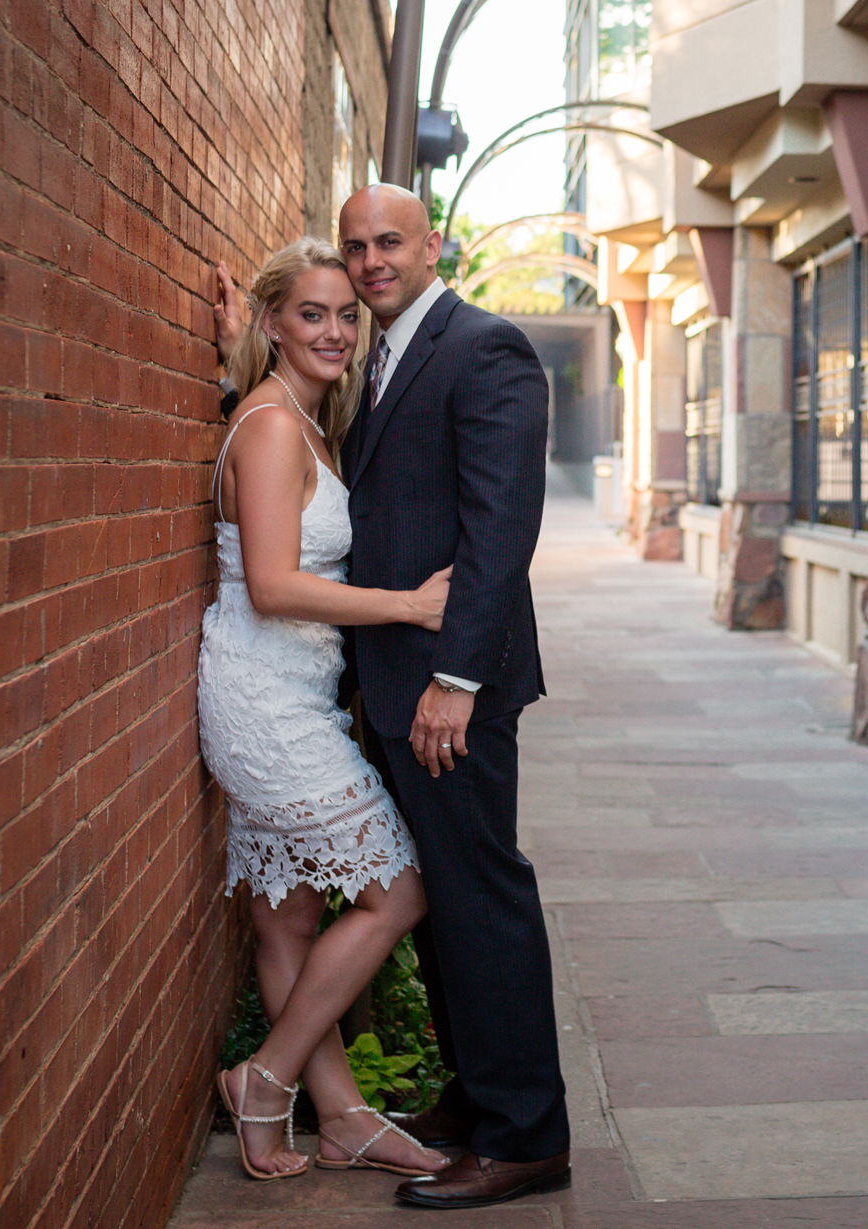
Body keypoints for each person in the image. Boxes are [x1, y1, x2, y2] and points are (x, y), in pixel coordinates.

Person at [198, 238, 454, 1181]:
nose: (337, 330)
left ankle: (341, 1115)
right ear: (274, 322)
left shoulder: (291, 416)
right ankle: (264, 1079)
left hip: (292, 692)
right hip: (266, 704)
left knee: (290, 917)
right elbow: (270, 582)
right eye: (312, 313)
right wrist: (407, 605)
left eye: (348, 314)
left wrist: (239, 360)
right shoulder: (273, 427)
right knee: (401, 890)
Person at [333, 185, 568, 1209]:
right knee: (447, 907)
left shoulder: (485, 348)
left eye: (390, 241)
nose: (372, 259)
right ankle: (477, 1100)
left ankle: (526, 1136)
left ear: (434, 245)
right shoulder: (379, 355)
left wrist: (456, 682)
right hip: (392, 678)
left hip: (447, 686)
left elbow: (499, 528)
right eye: (356, 247)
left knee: (482, 898)